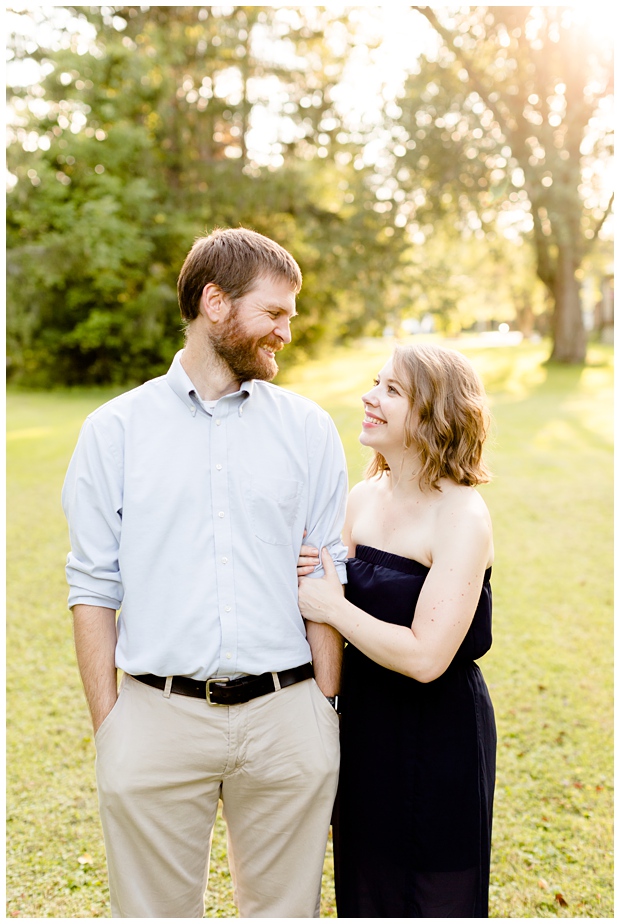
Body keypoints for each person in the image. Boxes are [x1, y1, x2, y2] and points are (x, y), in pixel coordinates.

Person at [62, 227, 347, 917]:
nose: (286, 331)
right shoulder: (114, 431)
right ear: (215, 303)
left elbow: (326, 575)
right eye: (274, 313)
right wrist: (113, 728)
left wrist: (323, 710)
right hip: (155, 718)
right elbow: (94, 587)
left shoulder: (308, 431)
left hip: (288, 717)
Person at [293, 344, 497, 916]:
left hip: (439, 735)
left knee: (433, 894)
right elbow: (319, 594)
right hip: (364, 726)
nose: (369, 397)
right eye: (374, 382)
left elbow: (426, 657)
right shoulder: (361, 499)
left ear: (433, 414)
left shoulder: (462, 513)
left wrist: (332, 607)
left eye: (391, 390)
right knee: (366, 886)